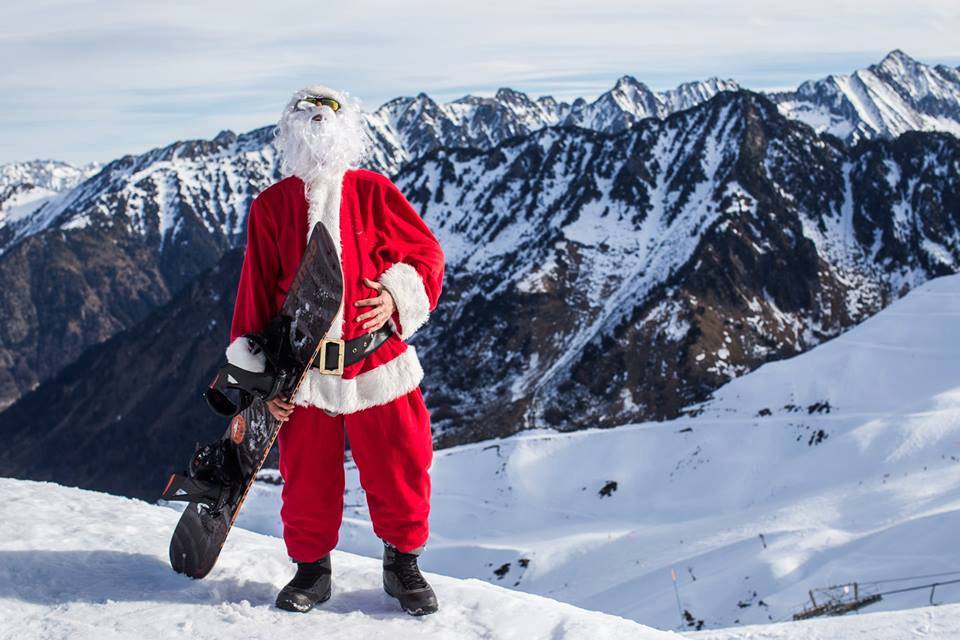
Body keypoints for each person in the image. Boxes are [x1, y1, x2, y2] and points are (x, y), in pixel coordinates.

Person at [224, 84, 445, 616]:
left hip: (378, 361)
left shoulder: (374, 191)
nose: (317, 121)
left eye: (328, 114)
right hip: (305, 373)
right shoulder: (271, 206)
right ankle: (311, 571)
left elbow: (426, 254)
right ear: (289, 130)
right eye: (306, 114)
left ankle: (402, 565)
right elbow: (254, 294)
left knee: (402, 463)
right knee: (306, 478)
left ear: (349, 128)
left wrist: (396, 294)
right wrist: (261, 388)